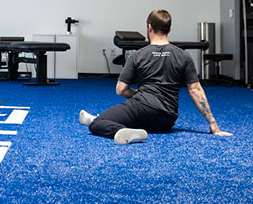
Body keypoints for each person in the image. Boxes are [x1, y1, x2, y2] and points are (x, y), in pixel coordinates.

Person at [78, 9, 232, 145]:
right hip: (166, 120)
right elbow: (196, 90)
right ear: (169, 29)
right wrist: (213, 124)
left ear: (149, 27)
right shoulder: (183, 55)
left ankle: (115, 127)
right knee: (128, 118)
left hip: (141, 108)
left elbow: (121, 90)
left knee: (97, 125)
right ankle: (119, 125)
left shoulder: (138, 55)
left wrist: (139, 95)